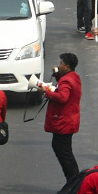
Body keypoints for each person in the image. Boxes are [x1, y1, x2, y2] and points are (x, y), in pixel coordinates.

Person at [38, 53, 82, 181]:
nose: (59, 65)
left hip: (64, 122)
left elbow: (63, 97)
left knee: (64, 153)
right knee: (63, 150)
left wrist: (46, 92)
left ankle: (73, 181)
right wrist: (58, 74)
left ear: (67, 66)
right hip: (70, 120)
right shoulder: (74, 77)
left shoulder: (66, 80)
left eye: (61, 63)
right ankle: (73, 180)